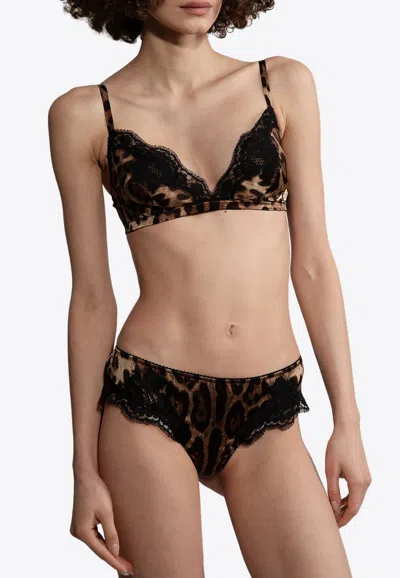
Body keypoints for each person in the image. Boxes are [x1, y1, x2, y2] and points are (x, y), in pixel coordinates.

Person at [49, 0, 372, 576]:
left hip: (269, 404)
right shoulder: (84, 114)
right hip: (149, 400)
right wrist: (84, 468)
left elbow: (315, 265)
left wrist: (348, 421)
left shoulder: (283, 83)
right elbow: (92, 297)